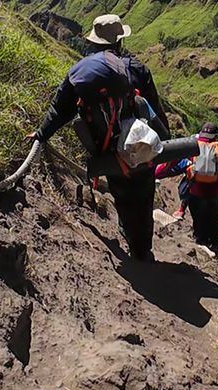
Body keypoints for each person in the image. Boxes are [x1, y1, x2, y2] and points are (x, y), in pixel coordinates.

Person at [29, 14, 169, 262]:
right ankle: (143, 249)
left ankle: (131, 242)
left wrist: (41, 134)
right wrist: (164, 139)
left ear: (93, 43)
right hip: (143, 146)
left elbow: (61, 109)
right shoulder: (136, 69)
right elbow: (154, 108)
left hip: (109, 151)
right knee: (144, 197)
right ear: (119, 42)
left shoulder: (83, 73)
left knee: (123, 195)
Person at [184, 123, 218, 250]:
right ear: (215, 135)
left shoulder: (194, 145)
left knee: (198, 216)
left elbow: (188, 164)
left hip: (197, 190)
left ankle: (201, 240)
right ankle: (215, 243)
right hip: (217, 191)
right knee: (215, 217)